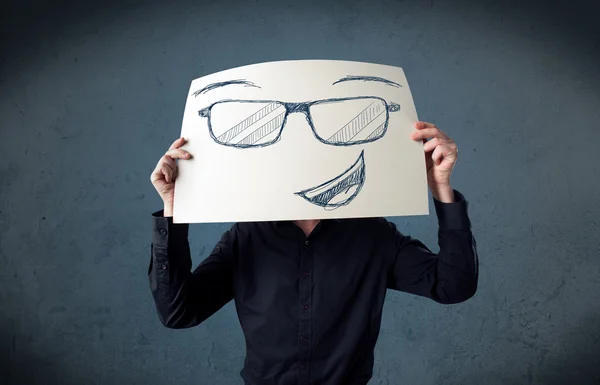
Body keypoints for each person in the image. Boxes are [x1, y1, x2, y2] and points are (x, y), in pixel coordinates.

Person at [148, 121, 479, 385]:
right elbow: (179, 313)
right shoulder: (247, 236)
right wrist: (174, 210)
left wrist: (441, 188)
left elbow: (453, 286)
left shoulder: (372, 234)